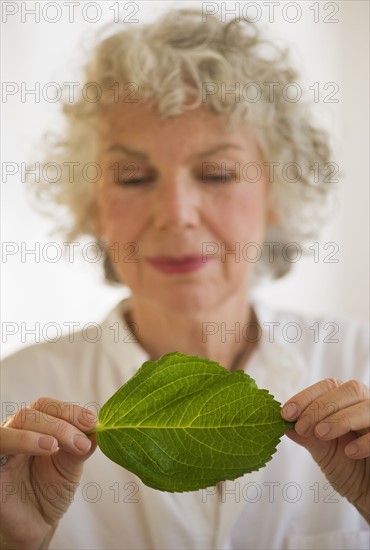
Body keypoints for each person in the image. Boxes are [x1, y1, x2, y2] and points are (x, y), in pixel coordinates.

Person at [1, 8, 369, 550]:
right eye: (134, 177)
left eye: (216, 173)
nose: (175, 213)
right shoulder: (13, 405)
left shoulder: (357, 364)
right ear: (92, 204)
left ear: (276, 191)